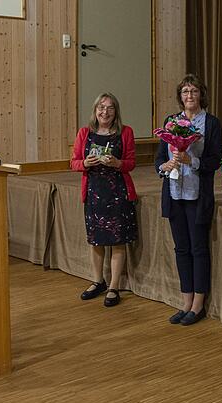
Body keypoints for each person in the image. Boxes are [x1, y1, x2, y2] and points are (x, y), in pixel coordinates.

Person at [156, 74, 222, 326]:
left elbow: (214, 160)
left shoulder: (212, 123)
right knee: (181, 249)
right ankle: (185, 302)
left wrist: (191, 161)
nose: (189, 96)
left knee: (198, 249)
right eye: (185, 92)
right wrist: (165, 165)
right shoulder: (171, 122)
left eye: (194, 91)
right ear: (180, 96)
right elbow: (158, 158)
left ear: (201, 95)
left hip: (198, 195)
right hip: (173, 194)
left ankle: (198, 305)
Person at [71, 93, 137, 307]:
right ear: (95, 110)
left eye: (110, 108)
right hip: (94, 193)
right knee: (96, 240)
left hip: (118, 193)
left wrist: (117, 163)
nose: (105, 112)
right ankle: (98, 280)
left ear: (115, 111)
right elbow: (73, 163)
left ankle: (114, 286)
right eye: (101, 107)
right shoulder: (85, 133)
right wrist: (85, 163)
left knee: (118, 241)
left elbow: (131, 163)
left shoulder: (125, 132)